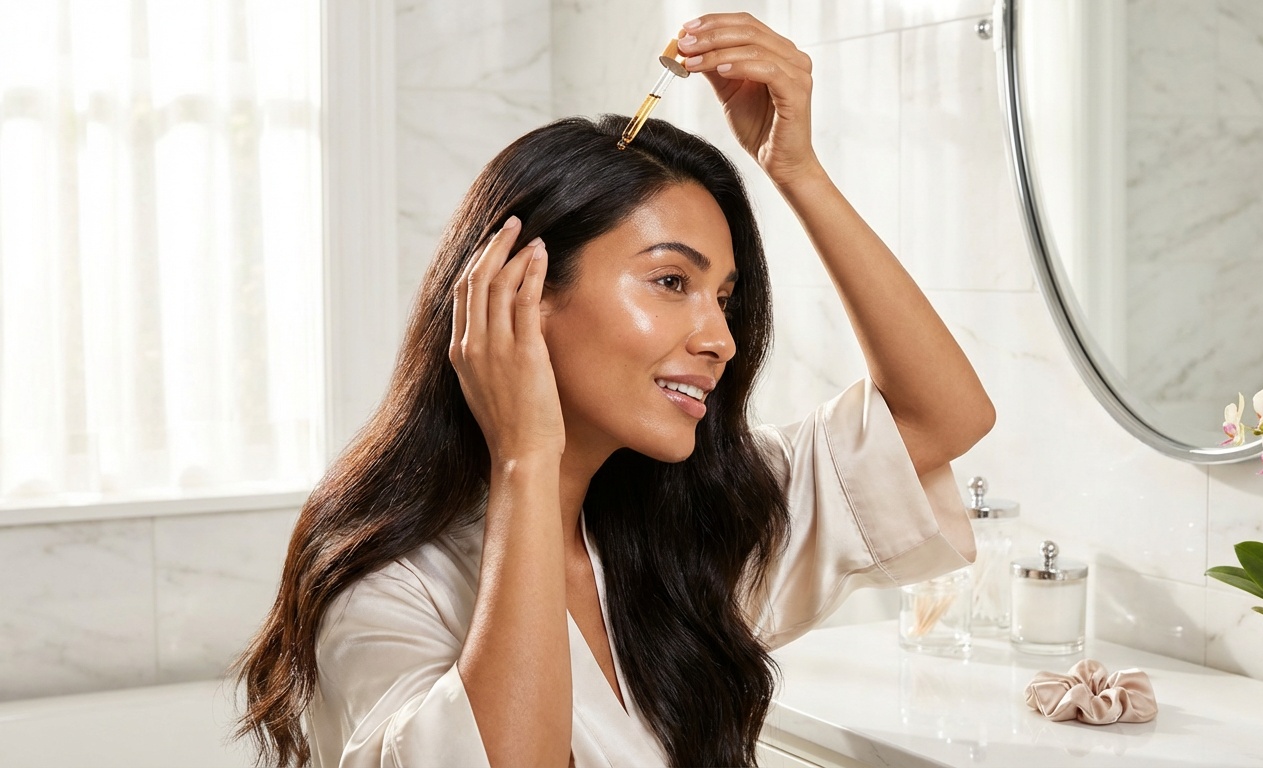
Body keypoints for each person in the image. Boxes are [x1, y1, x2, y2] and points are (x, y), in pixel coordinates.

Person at [235, 12, 993, 768]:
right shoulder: (388, 586)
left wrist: (796, 168)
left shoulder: (688, 530)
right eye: (671, 281)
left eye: (724, 298)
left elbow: (942, 417)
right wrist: (527, 458)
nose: (719, 339)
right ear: (518, 294)